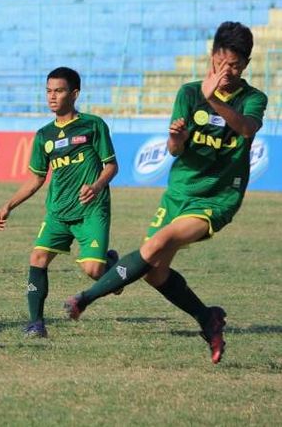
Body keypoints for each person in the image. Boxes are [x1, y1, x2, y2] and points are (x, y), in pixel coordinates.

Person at [63, 22, 267, 364]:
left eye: (236, 65)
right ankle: (208, 318)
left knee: (155, 245)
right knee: (155, 273)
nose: (228, 71)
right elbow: (173, 150)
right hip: (178, 193)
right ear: (213, 56)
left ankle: (84, 299)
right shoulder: (188, 94)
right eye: (223, 62)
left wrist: (213, 98)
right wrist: (177, 137)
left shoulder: (253, 98)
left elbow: (246, 129)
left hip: (216, 198)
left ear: (245, 64)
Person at [0, 67, 119, 338]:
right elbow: (36, 178)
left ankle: (111, 268)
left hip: (90, 210)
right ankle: (36, 323)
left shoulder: (93, 125)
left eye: (59, 91)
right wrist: (9, 204)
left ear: (74, 94)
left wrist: (96, 186)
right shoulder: (44, 135)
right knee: (38, 257)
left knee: (93, 270)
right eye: (49, 91)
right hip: (58, 212)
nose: (52, 97)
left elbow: (111, 166)